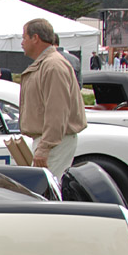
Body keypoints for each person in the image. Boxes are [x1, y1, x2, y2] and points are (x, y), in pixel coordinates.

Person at [19, 18, 87, 177]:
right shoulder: (47, 64)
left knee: (45, 194)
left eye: (24, 37)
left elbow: (57, 111)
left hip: (55, 142)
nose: (22, 42)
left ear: (35, 38)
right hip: (51, 140)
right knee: (42, 191)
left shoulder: (53, 66)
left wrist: (45, 147)